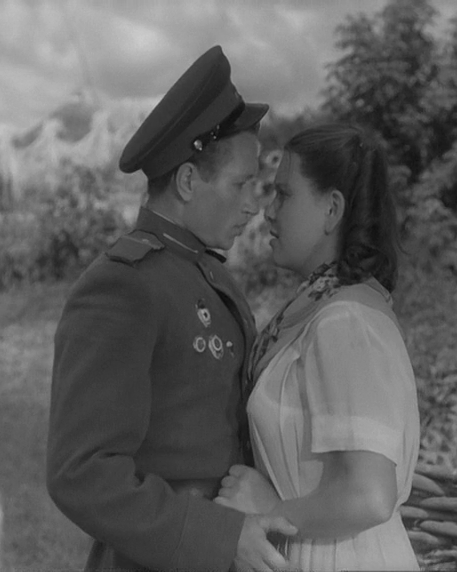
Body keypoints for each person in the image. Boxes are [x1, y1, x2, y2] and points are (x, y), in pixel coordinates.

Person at [46, 45, 297, 572]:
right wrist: (218, 537)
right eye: (240, 184)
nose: (253, 205)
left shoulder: (209, 275)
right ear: (187, 182)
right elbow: (81, 471)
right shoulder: (123, 286)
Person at [214, 124, 421, 571]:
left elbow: (369, 495)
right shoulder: (325, 309)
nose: (268, 211)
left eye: (284, 195)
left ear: (332, 209)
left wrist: (270, 511)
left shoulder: (345, 321)